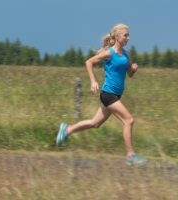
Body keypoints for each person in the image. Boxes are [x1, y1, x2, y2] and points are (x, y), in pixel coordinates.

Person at [56, 23, 147, 166]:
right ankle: (131, 156)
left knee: (95, 123)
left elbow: (129, 74)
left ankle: (67, 130)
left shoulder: (126, 54)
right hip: (108, 94)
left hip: (116, 95)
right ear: (117, 37)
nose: (128, 38)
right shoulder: (108, 53)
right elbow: (89, 62)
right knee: (129, 120)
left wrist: (134, 69)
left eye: (128, 35)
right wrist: (93, 81)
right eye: (125, 35)